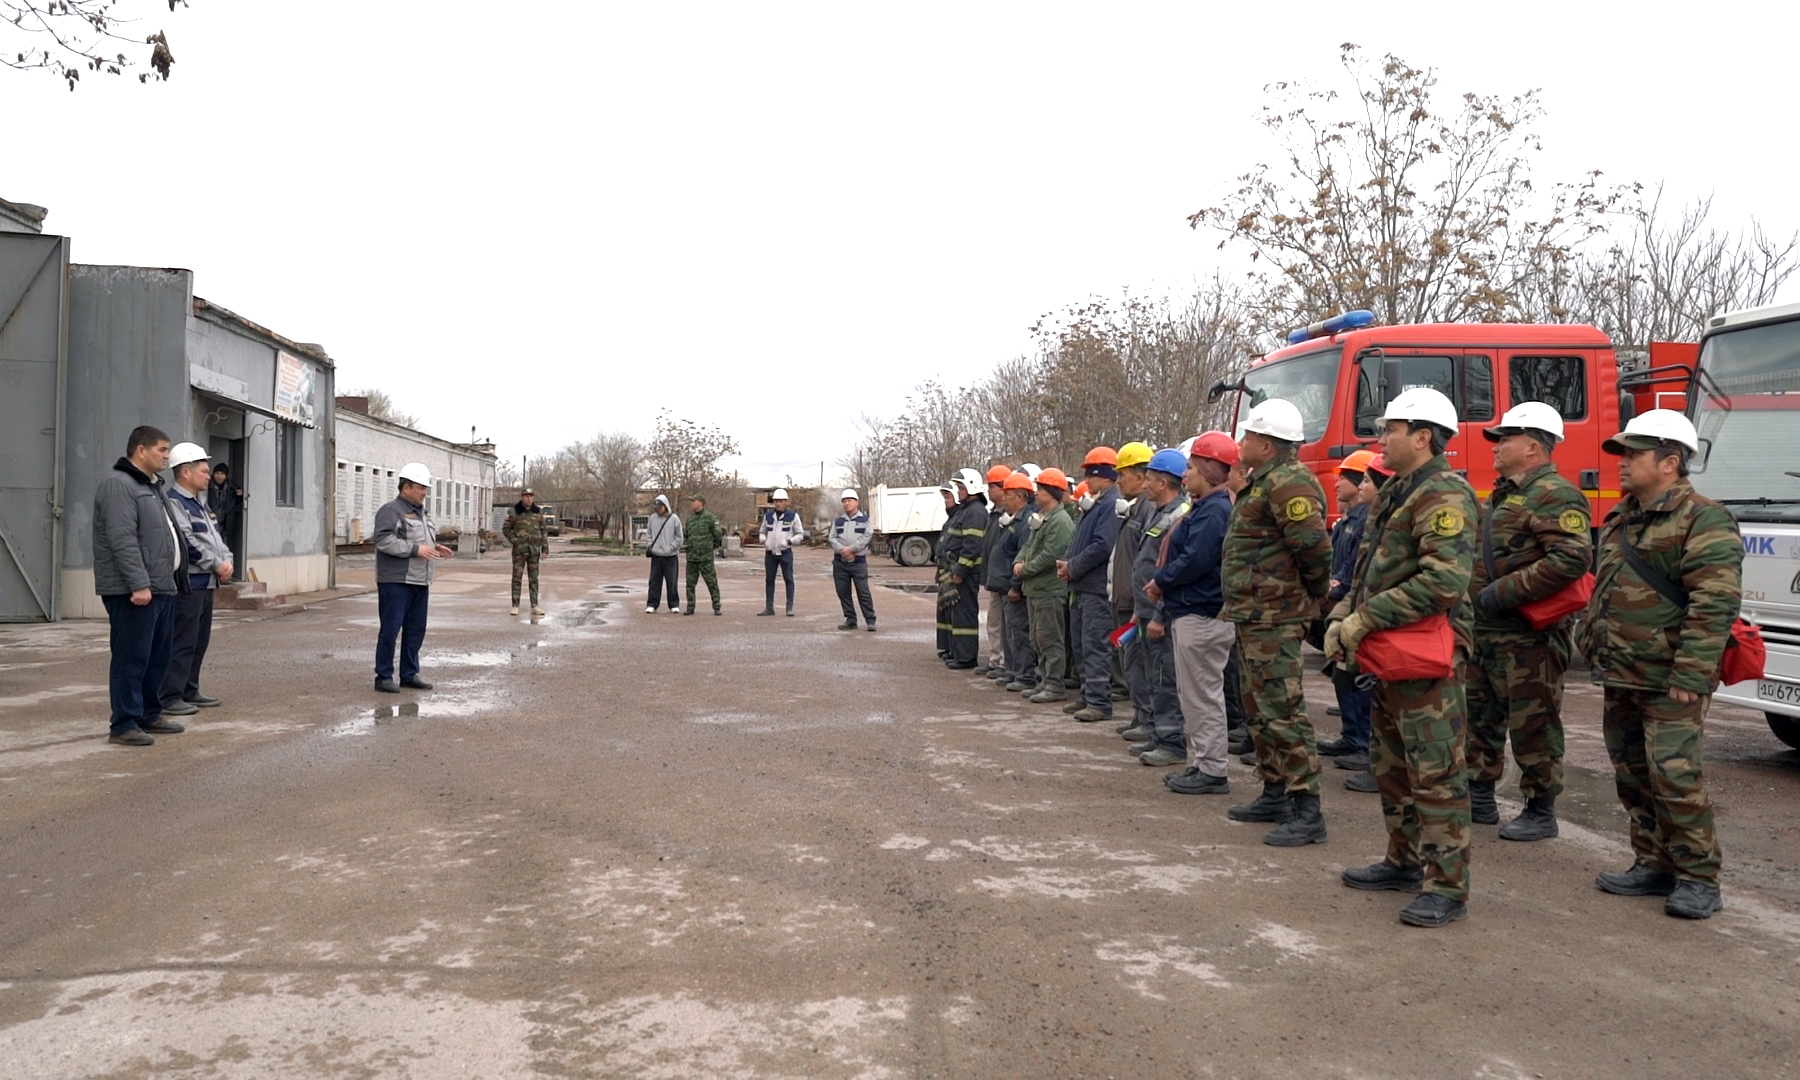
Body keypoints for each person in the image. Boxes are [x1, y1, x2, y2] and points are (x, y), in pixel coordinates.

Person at [1582, 410, 1741, 920]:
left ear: (1671, 461)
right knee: (1632, 774)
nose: (1623, 463)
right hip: (1622, 672)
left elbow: (1713, 602)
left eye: (1634, 453)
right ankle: (1653, 861)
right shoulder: (1621, 517)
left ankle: (1698, 876)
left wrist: (1692, 674)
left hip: (1671, 679)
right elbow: (1603, 592)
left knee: (1674, 776)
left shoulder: (1703, 518)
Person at [1327, 388, 1478, 928]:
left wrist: (1364, 619)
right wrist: (1343, 612)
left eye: (1389, 429)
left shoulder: (1443, 496)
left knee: (1435, 773)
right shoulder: (1398, 493)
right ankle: (1404, 860)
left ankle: (1448, 885)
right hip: (1390, 655)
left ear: (1422, 437)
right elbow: (1368, 570)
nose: (1380, 438)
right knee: (1392, 767)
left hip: (1427, 656)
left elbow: (1444, 581)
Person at [1465, 402, 1594, 841]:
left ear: (1534, 447)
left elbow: (1573, 557)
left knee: (1533, 722)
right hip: (1488, 631)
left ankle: (1541, 808)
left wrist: (1503, 593)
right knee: (1481, 716)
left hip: (1529, 635)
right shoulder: (1506, 491)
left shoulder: (1555, 494)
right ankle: (1479, 794)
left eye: (1506, 439)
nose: (1497, 447)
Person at [1221, 400, 1333, 846]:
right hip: (1255, 614)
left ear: (1266, 445)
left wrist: (1309, 597)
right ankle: (1274, 791)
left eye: (1247, 437)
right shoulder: (1265, 481)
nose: (1241, 443)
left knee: (1283, 712)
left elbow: (1314, 550)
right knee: (1259, 709)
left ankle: (1308, 809)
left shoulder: (1290, 483)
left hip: (1276, 616)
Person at [93, 425, 188, 746]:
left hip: (161, 587)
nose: (167, 455)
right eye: (162, 450)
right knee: (131, 657)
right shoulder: (118, 486)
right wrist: (138, 584)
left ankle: (148, 713)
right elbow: (122, 540)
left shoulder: (151, 486)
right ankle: (124, 723)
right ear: (141, 451)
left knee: (156, 657)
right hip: (134, 592)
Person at [1156, 433, 1239, 795]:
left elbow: (1196, 559)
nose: (1185, 474)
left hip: (1203, 614)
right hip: (1194, 611)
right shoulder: (1207, 507)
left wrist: (1161, 580)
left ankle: (1212, 768)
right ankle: (1202, 762)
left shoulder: (1216, 510)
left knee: (1202, 694)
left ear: (1208, 469)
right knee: (1195, 694)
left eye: (1190, 466)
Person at [1124, 448, 1191, 767]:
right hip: (1147, 610)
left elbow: (1174, 570)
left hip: (1162, 613)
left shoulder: (1179, 516)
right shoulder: (1155, 511)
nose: (1144, 483)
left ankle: (1173, 743)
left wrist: (1160, 613)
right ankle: (1158, 734)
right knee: (1153, 675)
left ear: (1164, 482)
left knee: (1165, 678)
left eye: (1149, 478)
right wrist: (1141, 608)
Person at [160, 442, 234, 717]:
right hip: (189, 584)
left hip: (207, 584)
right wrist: (217, 564)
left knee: (199, 641)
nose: (208, 475)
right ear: (185, 473)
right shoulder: (175, 504)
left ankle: (190, 689)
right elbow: (186, 542)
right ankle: (169, 695)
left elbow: (217, 539)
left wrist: (228, 561)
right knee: (183, 641)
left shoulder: (202, 506)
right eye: (202, 471)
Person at [1318, 450, 1378, 772]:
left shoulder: (1366, 520)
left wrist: (1335, 588)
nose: (1337, 483)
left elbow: (1352, 567)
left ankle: (1363, 743)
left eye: (1345, 477)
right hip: (1344, 606)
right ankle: (1351, 736)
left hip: (1357, 609)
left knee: (1357, 679)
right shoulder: (1345, 522)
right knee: (1342, 677)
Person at [372, 462, 453, 693]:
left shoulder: (423, 514)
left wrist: (435, 547)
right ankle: (383, 676)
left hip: (420, 581)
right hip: (396, 582)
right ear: (405, 487)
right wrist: (416, 550)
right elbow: (382, 539)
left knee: (416, 630)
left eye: (425, 488)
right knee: (391, 629)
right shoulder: (391, 511)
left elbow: (417, 540)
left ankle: (409, 674)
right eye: (420, 488)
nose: (424, 493)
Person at [1339, 454, 1394, 795]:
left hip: (1390, 624)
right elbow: (1361, 570)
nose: (1360, 487)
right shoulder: (1376, 518)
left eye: (1367, 481)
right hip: (1368, 615)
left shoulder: (1397, 516)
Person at [1058, 447, 1122, 722]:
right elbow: (1080, 540)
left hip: (1095, 589)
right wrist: (1067, 561)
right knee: (1083, 645)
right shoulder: (1094, 504)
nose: (1087, 478)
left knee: (1095, 645)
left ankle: (1098, 701)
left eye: (1091, 472)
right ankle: (1087, 695)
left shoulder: (1109, 505)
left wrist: (1072, 566)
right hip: (1082, 587)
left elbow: (1102, 545)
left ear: (1104, 475)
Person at [1016, 468, 1076, 702]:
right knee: (1037, 638)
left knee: (1050, 638)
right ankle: (1045, 681)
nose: (1036, 494)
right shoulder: (1042, 517)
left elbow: (1051, 555)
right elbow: (1028, 546)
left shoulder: (1060, 521)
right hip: (1035, 589)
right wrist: (1019, 561)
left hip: (1049, 590)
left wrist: (1024, 569)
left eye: (1040, 490)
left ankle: (1054, 684)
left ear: (1051, 492)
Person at [1110, 442, 1156, 724]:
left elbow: (1148, 560)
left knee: (1140, 663)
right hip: (1126, 599)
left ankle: (1147, 717)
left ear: (1140, 478)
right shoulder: (1132, 509)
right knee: (1131, 661)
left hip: (1138, 602)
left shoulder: (1147, 510)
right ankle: (1141, 715)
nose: (1118, 481)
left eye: (1123, 475)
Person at [993, 471, 1038, 692]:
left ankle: (1024, 674)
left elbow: (1023, 554)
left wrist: (1014, 585)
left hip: (1013, 588)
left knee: (1019, 631)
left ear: (1020, 497)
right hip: (1004, 586)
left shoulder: (1026, 522)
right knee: (1010, 632)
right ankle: (1013, 670)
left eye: (1008, 495)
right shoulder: (1014, 520)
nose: (1004, 499)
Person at [941, 469, 990, 669]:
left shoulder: (976, 512)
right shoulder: (967, 510)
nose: (958, 491)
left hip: (966, 573)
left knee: (965, 614)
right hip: (958, 569)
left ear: (972, 487)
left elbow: (972, 545)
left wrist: (961, 570)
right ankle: (959, 652)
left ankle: (966, 657)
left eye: (961, 487)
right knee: (957, 614)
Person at [976, 465, 1014, 676]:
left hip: (1005, 579)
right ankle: (996, 660)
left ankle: (1004, 662)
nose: (989, 491)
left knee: (1005, 624)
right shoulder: (994, 514)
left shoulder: (1010, 515)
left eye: (992, 487)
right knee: (994, 622)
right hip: (995, 578)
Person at [829, 489, 877, 630]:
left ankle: (870, 620)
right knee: (843, 592)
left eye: (849, 500)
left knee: (863, 592)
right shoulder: (838, 521)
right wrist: (842, 550)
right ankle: (851, 619)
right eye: (844, 501)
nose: (846, 504)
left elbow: (867, 536)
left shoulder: (865, 520)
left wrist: (851, 549)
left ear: (857, 502)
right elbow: (831, 538)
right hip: (840, 563)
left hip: (858, 562)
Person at [758, 488, 805, 616]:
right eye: (776, 501)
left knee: (788, 579)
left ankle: (789, 607)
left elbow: (800, 534)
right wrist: (763, 540)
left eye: (781, 501)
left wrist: (790, 541)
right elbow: (762, 531)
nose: (778, 503)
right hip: (770, 554)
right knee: (769, 580)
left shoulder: (793, 517)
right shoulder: (768, 516)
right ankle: (769, 607)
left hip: (785, 553)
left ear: (785, 502)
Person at [503, 487, 547, 616]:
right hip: (519, 551)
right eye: (526, 496)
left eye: (531, 496)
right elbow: (506, 529)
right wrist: (515, 541)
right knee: (517, 578)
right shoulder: (514, 512)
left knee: (534, 579)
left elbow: (543, 531)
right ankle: (515, 605)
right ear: (522, 497)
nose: (528, 498)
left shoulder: (537, 513)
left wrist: (545, 548)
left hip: (534, 551)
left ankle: (534, 605)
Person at [683, 494, 725, 615]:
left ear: (701, 502)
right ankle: (690, 607)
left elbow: (717, 535)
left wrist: (710, 547)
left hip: (705, 557)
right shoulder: (690, 519)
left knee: (711, 583)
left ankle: (716, 606)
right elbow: (687, 535)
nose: (691, 504)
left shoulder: (710, 518)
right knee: (690, 584)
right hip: (692, 557)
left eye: (693, 501)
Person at [644, 494, 684, 613]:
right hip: (656, 555)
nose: (658, 510)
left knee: (671, 581)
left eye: (660, 507)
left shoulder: (674, 519)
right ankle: (652, 604)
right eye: (656, 508)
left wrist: (671, 548)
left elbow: (679, 537)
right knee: (654, 581)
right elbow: (649, 533)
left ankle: (673, 604)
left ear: (665, 506)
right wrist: (651, 545)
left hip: (670, 556)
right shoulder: (652, 518)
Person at [207, 461, 244, 567]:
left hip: (225, 522)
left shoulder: (231, 487)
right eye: (217, 473)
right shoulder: (207, 485)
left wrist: (240, 495)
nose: (219, 476)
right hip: (211, 520)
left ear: (226, 476)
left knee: (224, 546)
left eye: (222, 474)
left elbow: (240, 499)